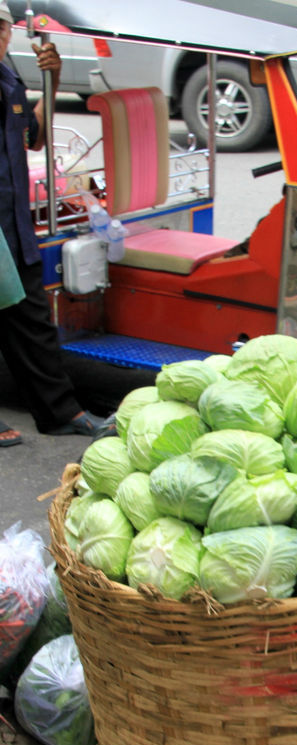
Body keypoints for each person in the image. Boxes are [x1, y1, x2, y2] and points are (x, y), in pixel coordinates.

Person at [0, 1, 111, 448]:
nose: (0, 37)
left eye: (3, 29)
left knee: (31, 318)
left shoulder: (9, 77)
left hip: (12, 220)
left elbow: (34, 138)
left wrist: (53, 81)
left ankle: (61, 412)